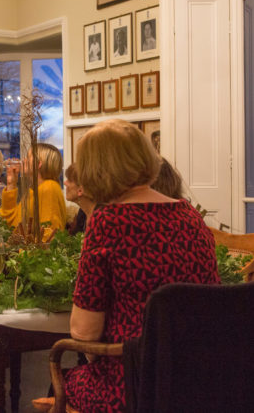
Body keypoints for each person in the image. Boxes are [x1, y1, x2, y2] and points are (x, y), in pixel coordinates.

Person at [64, 119, 220, 412]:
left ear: (93, 170)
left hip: (136, 383)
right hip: (200, 379)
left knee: (62, 379)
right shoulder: (190, 216)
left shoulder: (108, 221)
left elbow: (84, 333)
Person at [0, 142, 66, 231]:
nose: (23, 160)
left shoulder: (49, 187)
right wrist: (11, 183)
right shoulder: (32, 191)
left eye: (28, 157)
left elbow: (48, 234)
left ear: (38, 164)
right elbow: (9, 225)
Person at [64, 163, 95, 235]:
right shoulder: (82, 213)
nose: (65, 183)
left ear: (80, 190)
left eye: (69, 180)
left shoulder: (101, 220)